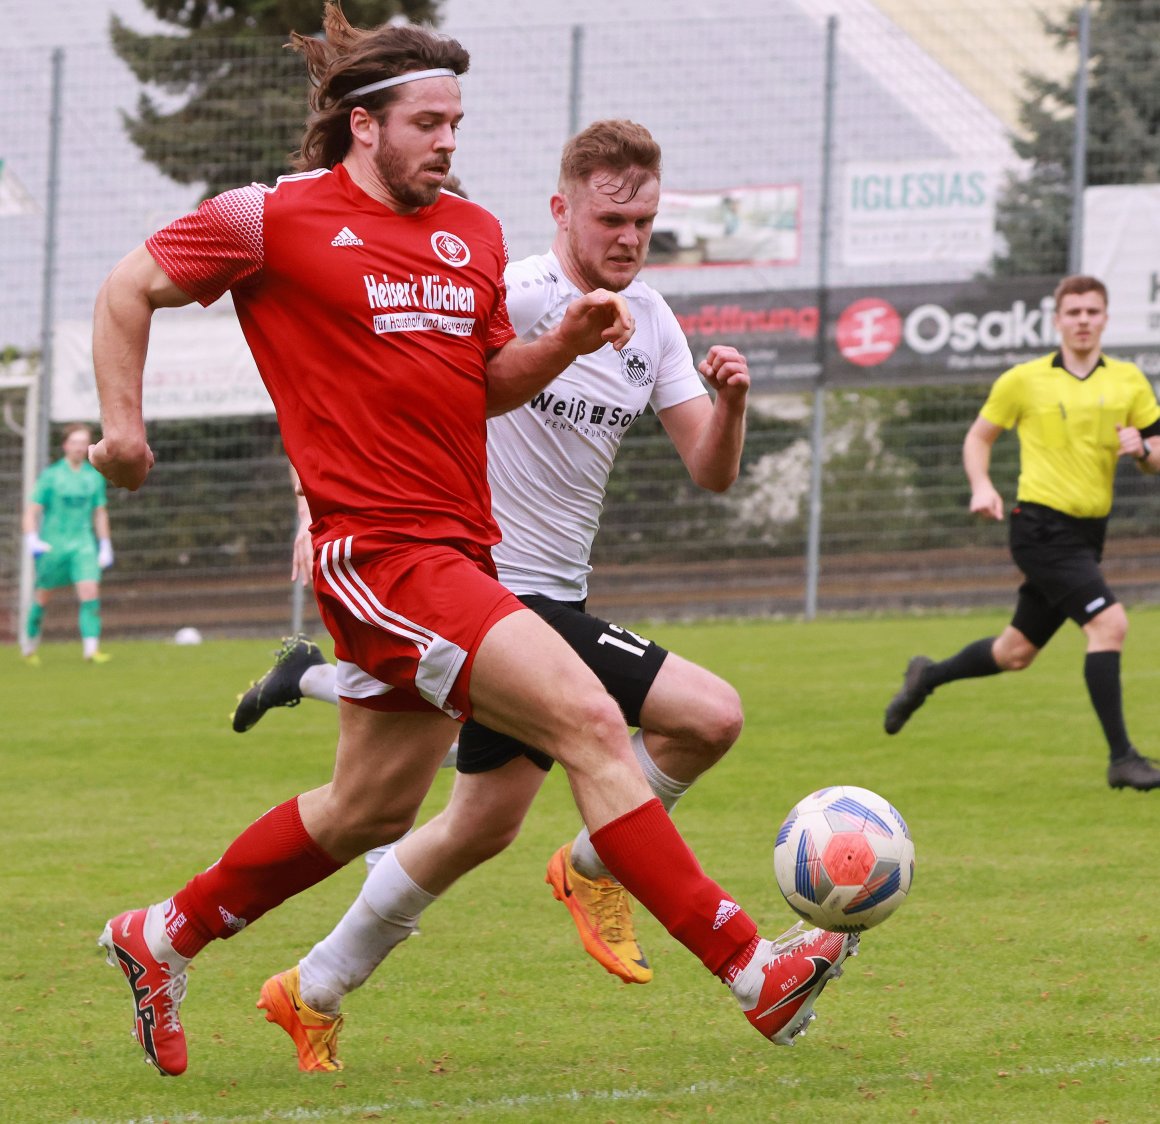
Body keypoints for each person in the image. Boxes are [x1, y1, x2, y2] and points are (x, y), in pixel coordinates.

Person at [92, 5, 855, 1080]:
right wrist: (123, 430)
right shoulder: (269, 219)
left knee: (372, 807)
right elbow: (129, 286)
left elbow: (485, 386)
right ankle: (751, 968)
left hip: (458, 552)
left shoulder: (471, 235)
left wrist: (561, 342)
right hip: (380, 556)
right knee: (590, 718)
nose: (448, 140)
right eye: (428, 121)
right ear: (364, 125)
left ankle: (160, 934)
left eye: (456, 121)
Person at [233, 119, 800, 1072]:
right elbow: (370, 395)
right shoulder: (506, 294)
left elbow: (710, 469)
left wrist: (732, 403)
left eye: (646, 222)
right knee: (707, 715)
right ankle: (600, 871)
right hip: (484, 586)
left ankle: (310, 989)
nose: (629, 238)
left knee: (472, 827)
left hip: (544, 602)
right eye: (612, 218)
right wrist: (311, 510)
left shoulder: (652, 320)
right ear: (562, 208)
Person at [883, 274, 1160, 793]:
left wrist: (1143, 450)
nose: (1082, 320)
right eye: (1073, 312)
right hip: (1039, 528)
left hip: (1086, 535)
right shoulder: (1024, 379)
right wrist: (981, 485)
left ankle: (927, 677)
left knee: (1015, 653)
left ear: (1104, 318)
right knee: (1110, 626)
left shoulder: (1129, 381)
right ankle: (1122, 757)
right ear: (1057, 320)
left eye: (1092, 312)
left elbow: (1156, 455)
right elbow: (978, 437)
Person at [21, 422, 114, 664]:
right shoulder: (51, 476)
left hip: (83, 545)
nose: (79, 448)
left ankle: (91, 650)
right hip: (54, 545)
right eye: (74, 442)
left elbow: (99, 512)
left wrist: (105, 544)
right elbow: (32, 511)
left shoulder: (93, 477)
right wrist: (32, 539)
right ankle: (29, 645)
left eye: (84, 443)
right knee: (43, 596)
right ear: (65, 445)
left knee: (90, 592)